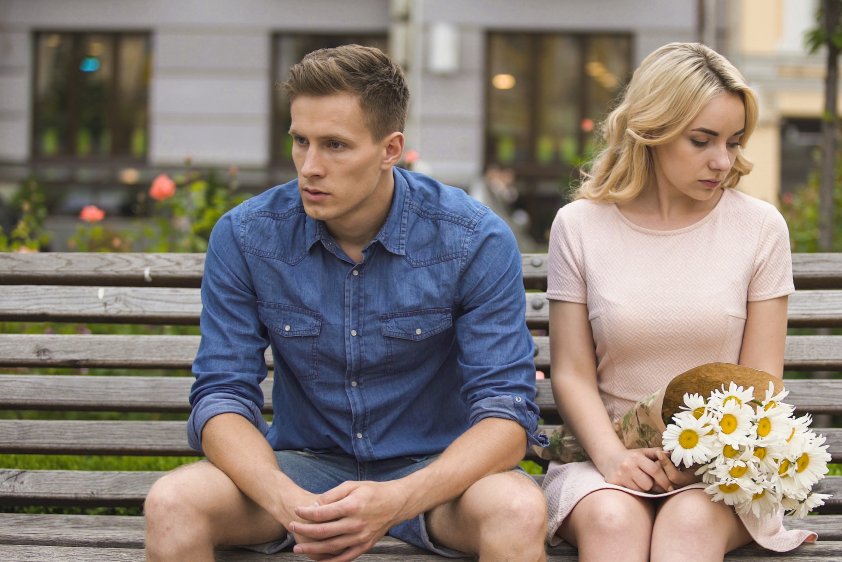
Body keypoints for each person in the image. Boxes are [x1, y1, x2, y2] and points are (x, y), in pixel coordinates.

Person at [144, 45, 547, 562]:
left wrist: (398, 499)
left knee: (517, 511)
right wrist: (286, 499)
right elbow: (221, 396)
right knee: (173, 503)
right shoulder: (247, 236)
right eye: (300, 141)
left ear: (390, 148)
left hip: (437, 478)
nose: (310, 167)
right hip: (301, 470)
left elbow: (507, 414)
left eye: (335, 145)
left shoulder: (472, 239)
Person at [541, 42, 818, 561]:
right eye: (702, 140)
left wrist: (705, 458)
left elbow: (763, 380)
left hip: (725, 463)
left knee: (688, 526)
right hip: (606, 457)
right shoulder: (578, 228)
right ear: (652, 130)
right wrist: (612, 459)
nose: (723, 161)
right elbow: (572, 373)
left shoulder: (759, 229)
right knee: (612, 519)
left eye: (733, 142)